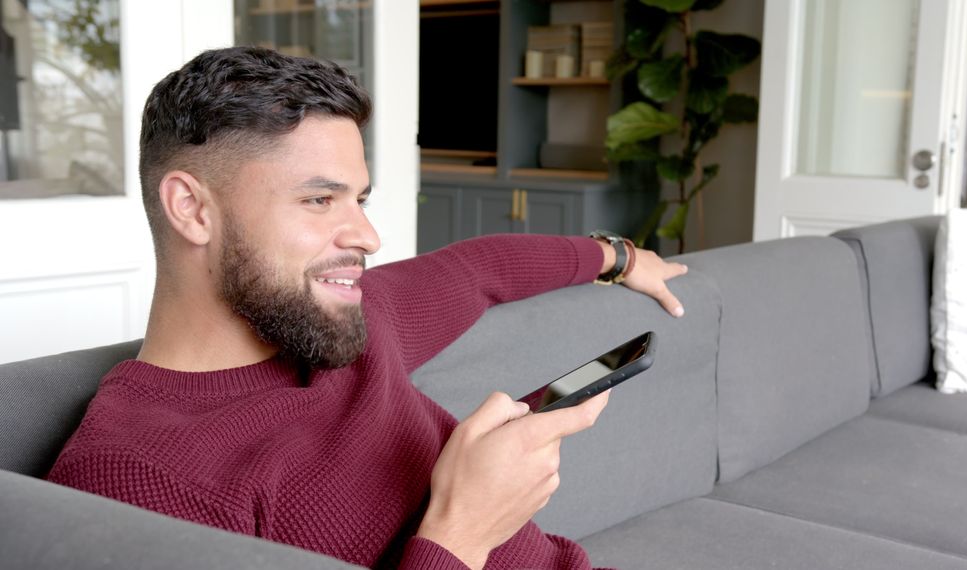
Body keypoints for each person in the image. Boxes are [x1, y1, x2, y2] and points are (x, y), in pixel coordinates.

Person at [46, 47, 689, 570]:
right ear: (191, 208)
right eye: (320, 201)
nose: (368, 238)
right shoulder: (135, 477)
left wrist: (622, 258)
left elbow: (477, 270)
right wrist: (462, 531)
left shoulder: (340, 321)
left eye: (361, 200)